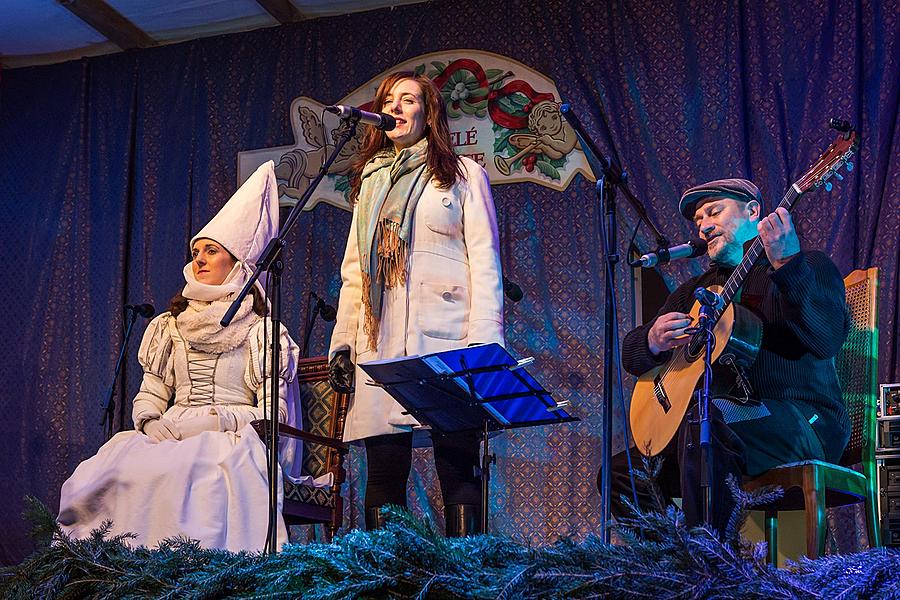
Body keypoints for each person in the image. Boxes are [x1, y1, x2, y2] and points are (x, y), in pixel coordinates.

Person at [58, 162, 300, 552]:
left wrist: (215, 420)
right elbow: (152, 392)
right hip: (170, 430)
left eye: (211, 251)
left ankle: (192, 576)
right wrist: (150, 420)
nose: (199, 259)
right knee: (111, 472)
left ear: (237, 263)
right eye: (196, 251)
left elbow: (275, 416)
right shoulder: (169, 327)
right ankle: (120, 576)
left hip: (232, 437)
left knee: (195, 473)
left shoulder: (262, 333)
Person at [603, 178, 850, 535]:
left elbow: (827, 337)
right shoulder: (695, 291)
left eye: (714, 211)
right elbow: (631, 355)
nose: (703, 225)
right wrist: (653, 339)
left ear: (753, 211)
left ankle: (711, 566)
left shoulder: (806, 265)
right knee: (619, 474)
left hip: (801, 419)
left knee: (706, 420)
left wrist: (788, 265)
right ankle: (669, 569)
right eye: (698, 219)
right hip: (719, 423)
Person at [328, 71, 504, 536]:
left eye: (409, 99)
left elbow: (485, 262)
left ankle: (470, 573)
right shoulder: (371, 183)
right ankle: (386, 575)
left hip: (446, 335)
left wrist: (485, 344)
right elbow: (354, 272)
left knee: (458, 463)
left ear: (429, 113)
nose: (398, 107)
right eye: (390, 99)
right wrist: (344, 341)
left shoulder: (464, 175)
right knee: (384, 468)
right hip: (380, 339)